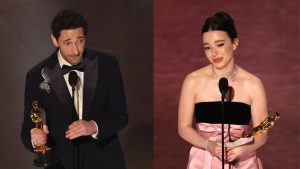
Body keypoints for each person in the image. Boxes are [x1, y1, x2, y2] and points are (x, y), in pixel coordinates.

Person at [21, 9, 128, 169]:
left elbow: (121, 116)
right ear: (54, 40)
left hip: (104, 159)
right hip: (61, 163)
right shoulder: (36, 76)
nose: (76, 50)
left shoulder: (107, 63)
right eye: (68, 43)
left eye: (80, 40)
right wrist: (35, 139)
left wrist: (94, 126)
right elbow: (28, 130)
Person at [178, 11, 268, 169]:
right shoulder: (192, 81)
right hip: (203, 160)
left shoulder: (253, 84)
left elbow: (262, 133)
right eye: (207, 47)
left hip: (242, 161)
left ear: (234, 44)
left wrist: (242, 149)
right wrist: (208, 145)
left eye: (220, 45)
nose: (214, 53)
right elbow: (184, 128)